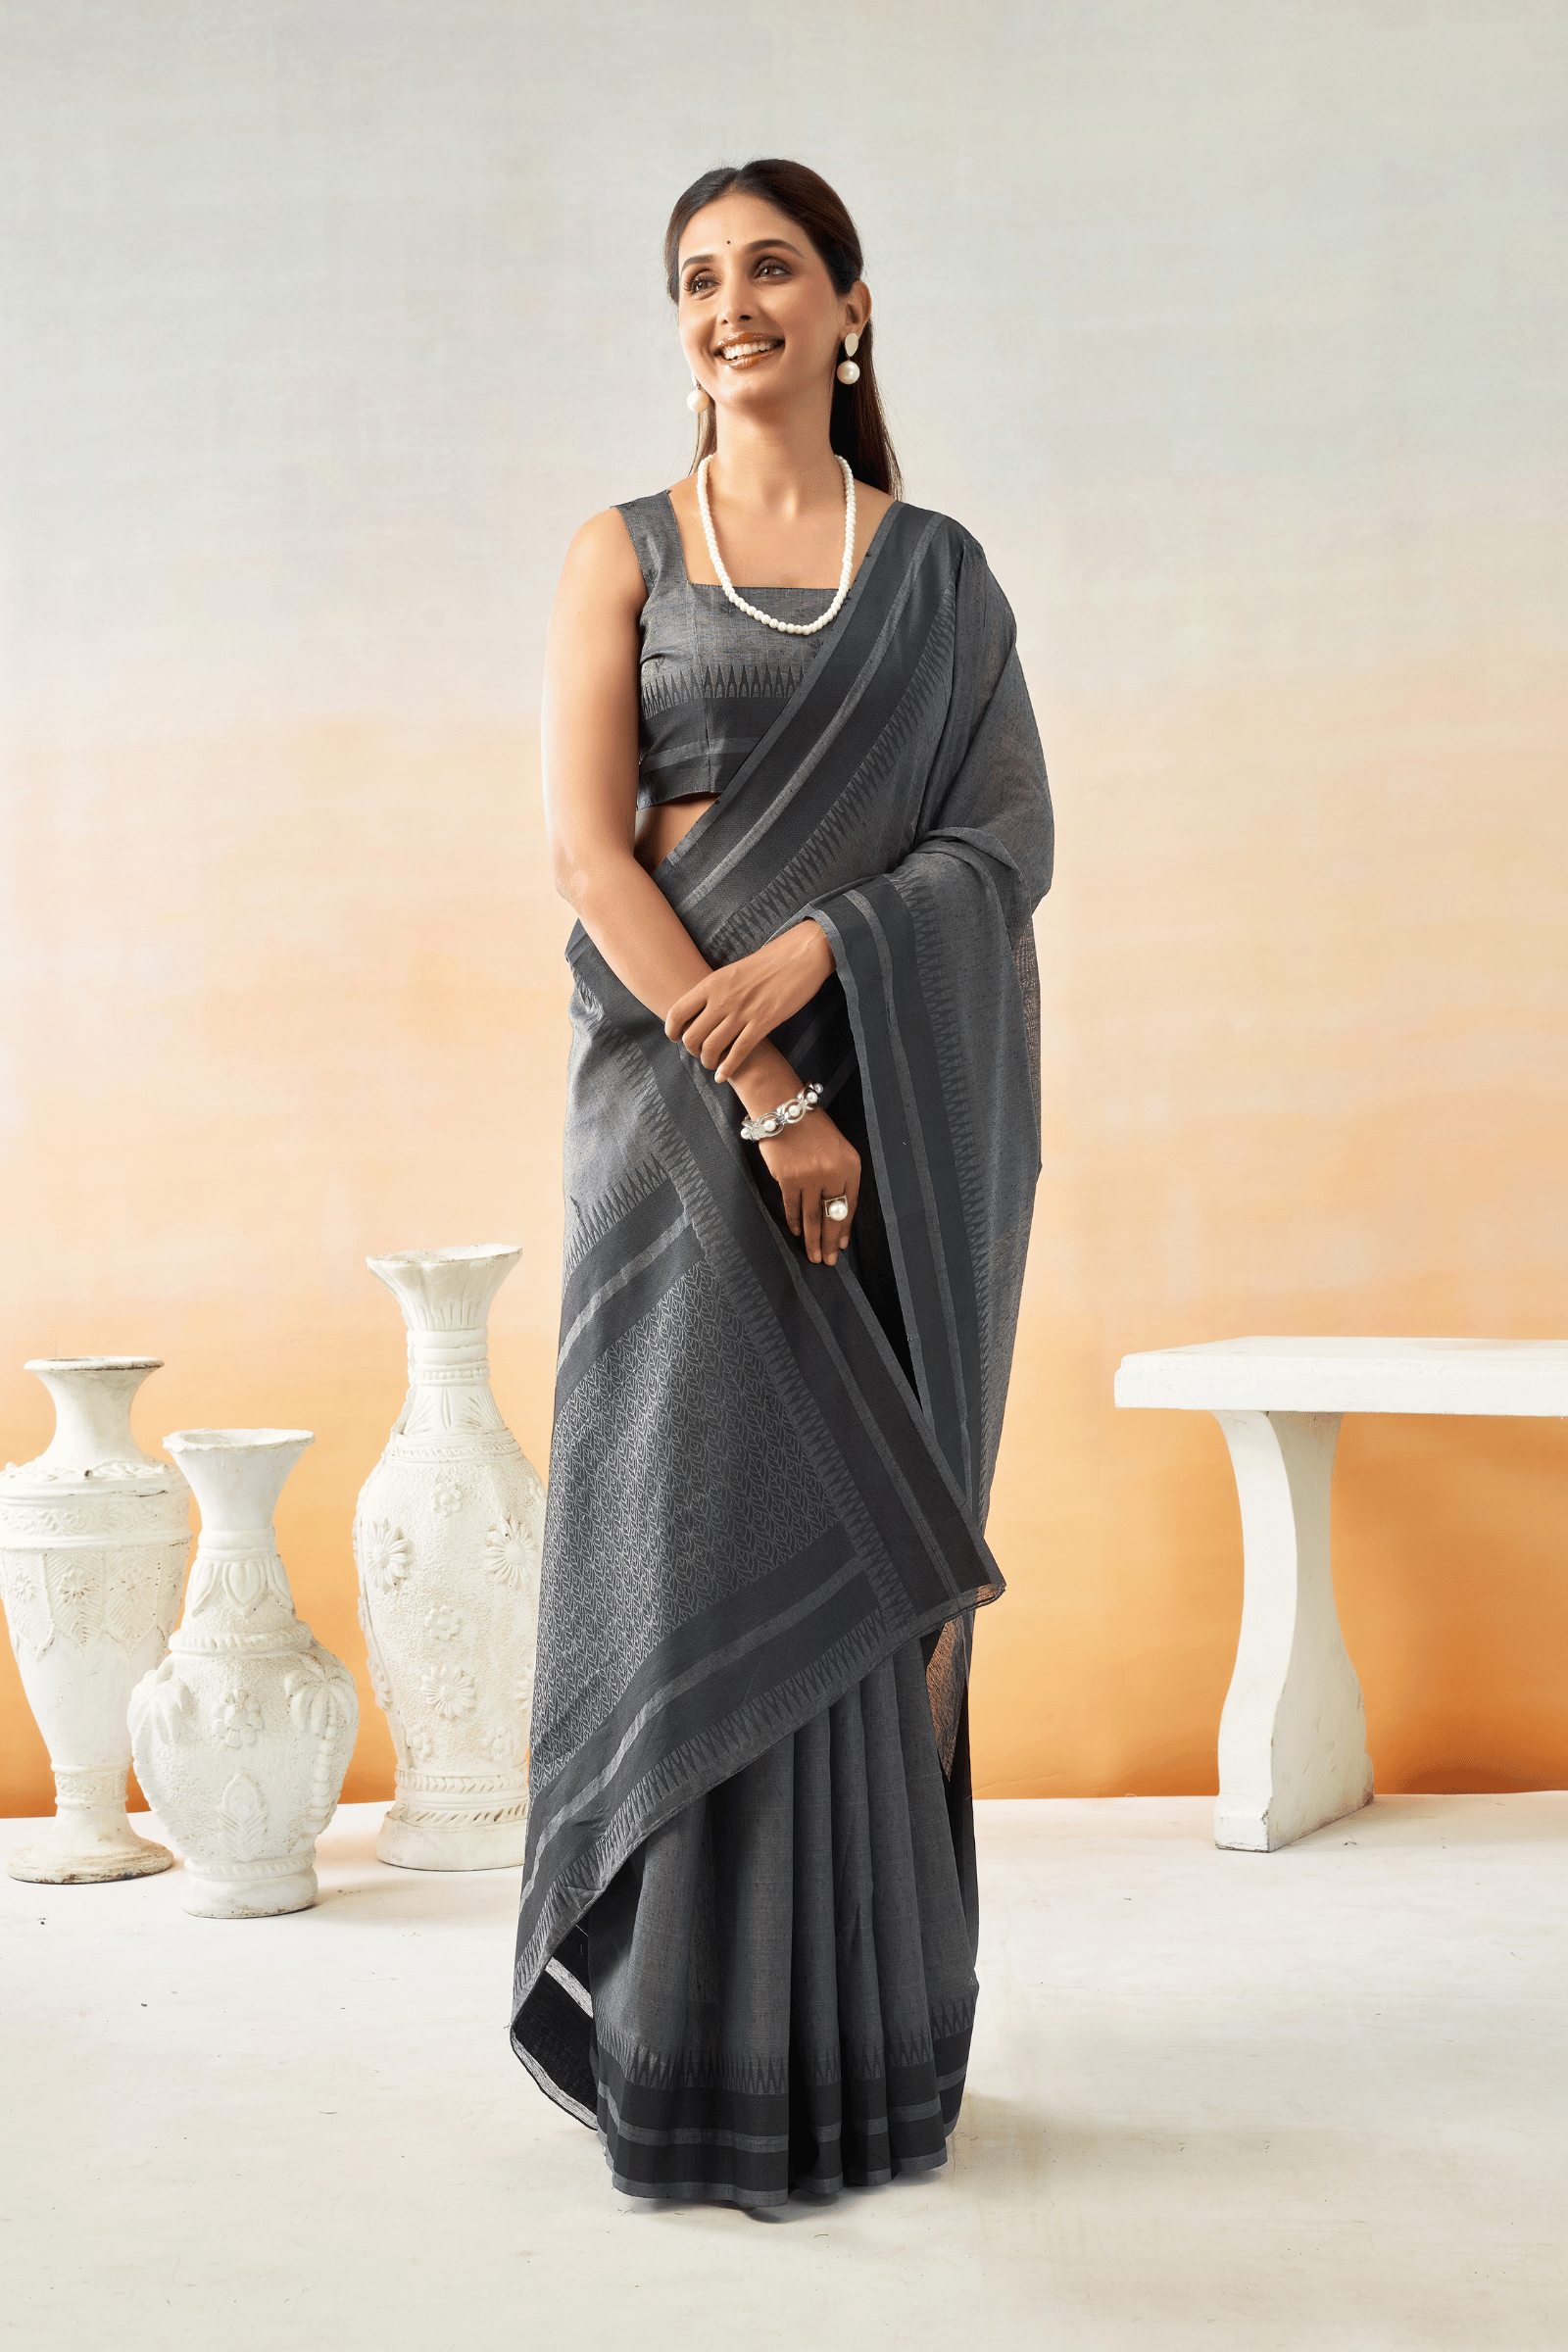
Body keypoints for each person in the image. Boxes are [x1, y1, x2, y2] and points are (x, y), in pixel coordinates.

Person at [510, 156, 1053, 2209]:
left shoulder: (941, 579)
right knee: (688, 1532)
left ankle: (859, 2064)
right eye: (694, 279)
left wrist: (830, 949)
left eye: (767, 269)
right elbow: (593, 854)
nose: (727, 304)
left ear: (848, 308)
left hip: (892, 1101)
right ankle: (687, 2051)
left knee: (852, 1547)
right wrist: (757, 1085)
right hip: (677, 1110)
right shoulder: (623, 552)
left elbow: (1002, 844)